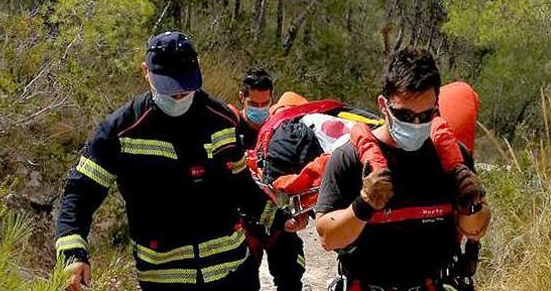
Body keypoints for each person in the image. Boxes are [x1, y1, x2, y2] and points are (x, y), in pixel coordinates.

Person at [55, 31, 287, 291]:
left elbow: (243, 188)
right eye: (170, 86)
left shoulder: (221, 120)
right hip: (166, 279)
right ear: (146, 72)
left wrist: (280, 219)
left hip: (233, 272)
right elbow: (79, 195)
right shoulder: (121, 131)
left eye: (186, 86)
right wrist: (73, 254)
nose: (179, 95)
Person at [315, 48, 491, 291]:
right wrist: (364, 204)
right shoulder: (349, 159)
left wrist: (472, 204)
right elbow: (327, 237)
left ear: (436, 107)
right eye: (405, 115)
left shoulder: (454, 159)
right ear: (383, 105)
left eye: (426, 114)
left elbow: (476, 229)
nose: (416, 123)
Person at [229, 67, 308, 291]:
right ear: (241, 97)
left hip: (278, 220)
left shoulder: (283, 128)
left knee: (291, 279)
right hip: (243, 221)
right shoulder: (229, 127)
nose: (260, 109)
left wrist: (302, 212)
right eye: (254, 104)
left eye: (265, 104)